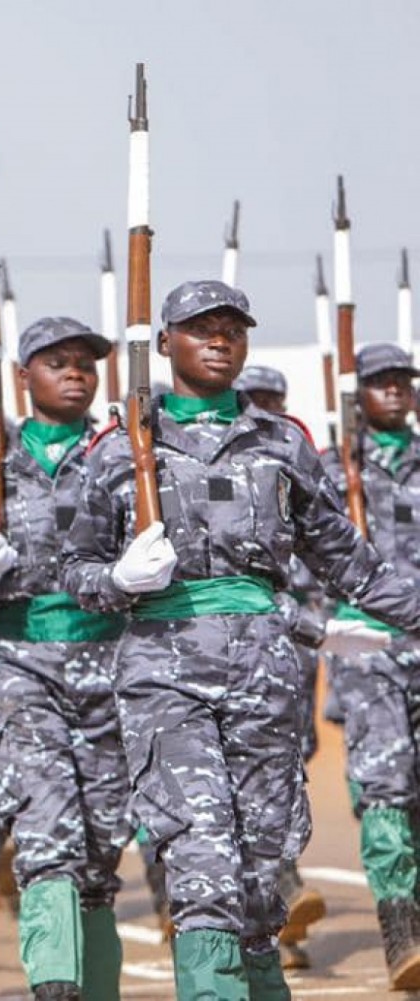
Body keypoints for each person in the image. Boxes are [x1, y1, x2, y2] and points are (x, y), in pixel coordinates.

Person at [62, 280, 420, 998]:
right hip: (165, 670)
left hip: (265, 672)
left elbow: (347, 559)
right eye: (201, 328)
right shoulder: (121, 444)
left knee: (262, 872)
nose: (219, 339)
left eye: (232, 327)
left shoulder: (280, 440)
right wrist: (121, 578)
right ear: (164, 343)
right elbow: (73, 569)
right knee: (202, 862)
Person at [0, 318, 129, 999]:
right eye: (58, 362)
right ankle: (55, 988)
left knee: (102, 849)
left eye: (86, 363)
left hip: (111, 660)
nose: (75, 372)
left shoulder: (124, 453)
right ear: (24, 376)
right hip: (19, 663)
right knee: (48, 840)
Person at [317, 343, 420, 987]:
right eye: (381, 384)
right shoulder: (330, 467)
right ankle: (401, 931)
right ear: (358, 395)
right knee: (386, 784)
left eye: (402, 383)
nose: (395, 392)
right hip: (368, 646)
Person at [231, 363, 328, 971]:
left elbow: (330, 541)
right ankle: (278, 906)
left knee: (287, 767)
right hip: (231, 637)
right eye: (256, 398)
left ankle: (278, 930)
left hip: (295, 634)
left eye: (275, 398)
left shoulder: (293, 453)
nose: (266, 407)